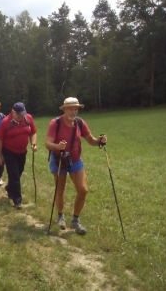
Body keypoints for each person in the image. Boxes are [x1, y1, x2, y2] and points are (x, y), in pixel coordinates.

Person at [45, 97, 107, 235]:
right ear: (65, 109)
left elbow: (90, 140)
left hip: (75, 160)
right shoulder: (55, 123)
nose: (74, 111)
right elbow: (48, 143)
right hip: (59, 160)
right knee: (60, 190)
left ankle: (75, 220)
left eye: (76, 109)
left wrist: (100, 141)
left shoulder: (80, 122)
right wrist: (58, 146)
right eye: (71, 109)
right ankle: (60, 216)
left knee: (83, 190)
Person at [0, 102, 37, 209]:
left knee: (18, 173)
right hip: (9, 152)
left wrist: (33, 143)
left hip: (22, 151)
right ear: (13, 112)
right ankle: (17, 200)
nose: (21, 117)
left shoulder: (28, 118)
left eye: (22, 114)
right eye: (19, 115)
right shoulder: (5, 122)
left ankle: (10, 188)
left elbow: (33, 132)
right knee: (14, 176)